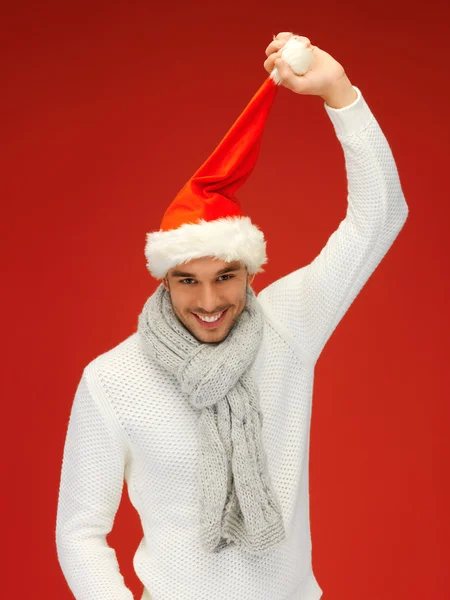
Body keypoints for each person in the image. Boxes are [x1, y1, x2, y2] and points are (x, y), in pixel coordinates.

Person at [55, 31, 409, 600]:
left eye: (226, 276)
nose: (209, 302)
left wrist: (338, 93)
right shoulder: (113, 380)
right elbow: (79, 532)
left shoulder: (287, 326)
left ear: (250, 271)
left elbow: (381, 217)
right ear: (163, 279)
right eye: (187, 281)